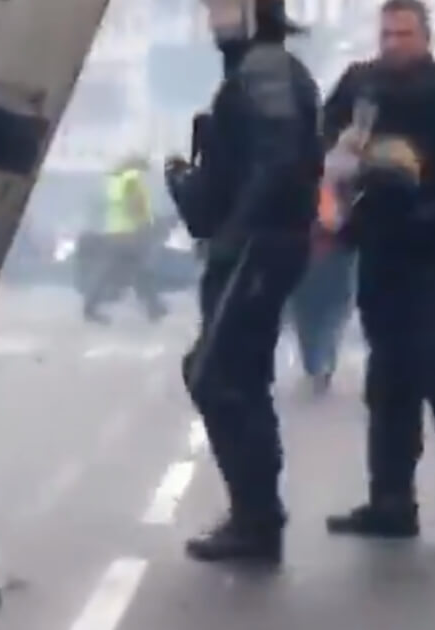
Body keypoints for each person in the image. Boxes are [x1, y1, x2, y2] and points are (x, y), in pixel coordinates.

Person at [321, 0, 435, 540]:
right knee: (386, 377)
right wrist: (340, 187)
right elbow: (324, 147)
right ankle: (391, 501)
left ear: (426, 36)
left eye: (404, 33)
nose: (393, 43)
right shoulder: (361, 86)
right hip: (380, 248)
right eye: (386, 33)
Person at [164, 0, 322, 563]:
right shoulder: (256, 68)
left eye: (226, 6)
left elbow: (279, 159)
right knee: (238, 375)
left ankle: (257, 520)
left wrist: (237, 232)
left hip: (259, 245)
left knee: (216, 374)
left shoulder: (267, 67)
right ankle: (256, 518)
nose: (215, 17)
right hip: (259, 242)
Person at [81, 153, 168, 324]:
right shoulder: (132, 179)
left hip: (114, 231)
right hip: (130, 233)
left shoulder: (114, 180)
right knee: (139, 270)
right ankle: (153, 307)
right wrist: (145, 223)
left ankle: (153, 307)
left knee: (114, 271)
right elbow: (135, 204)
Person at [286, 184, 355, 395]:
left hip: (327, 257)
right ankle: (318, 364)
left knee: (323, 317)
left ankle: (320, 364)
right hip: (314, 258)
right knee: (314, 318)